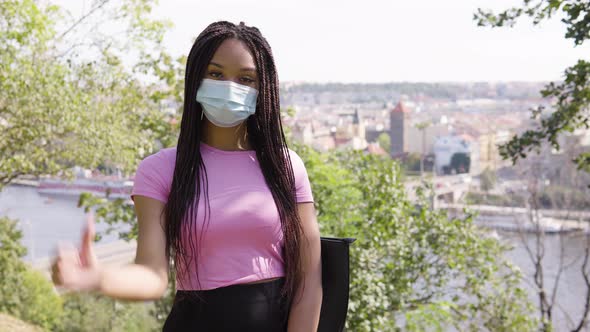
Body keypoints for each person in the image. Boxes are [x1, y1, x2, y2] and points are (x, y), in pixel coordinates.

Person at [50, 21, 323, 331]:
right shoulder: (160, 169)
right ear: (196, 80)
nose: (230, 87)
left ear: (263, 90)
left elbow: (308, 283)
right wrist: (99, 278)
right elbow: (152, 275)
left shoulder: (286, 167)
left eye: (246, 79)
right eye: (216, 74)